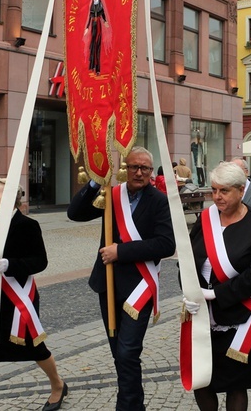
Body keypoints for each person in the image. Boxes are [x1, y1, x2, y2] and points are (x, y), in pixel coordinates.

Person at [67, 147, 175, 410]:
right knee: (119, 353)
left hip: (140, 287)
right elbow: (75, 213)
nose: (139, 172)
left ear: (151, 172)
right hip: (108, 283)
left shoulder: (159, 201)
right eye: (134, 167)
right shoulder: (110, 195)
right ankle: (133, 403)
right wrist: (96, 180)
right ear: (124, 168)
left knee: (128, 351)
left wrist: (121, 251)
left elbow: (166, 245)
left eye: (145, 168)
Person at [182, 162, 251, 411]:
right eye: (213, 190)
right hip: (202, 314)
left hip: (240, 314)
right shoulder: (204, 219)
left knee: (236, 384)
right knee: (202, 380)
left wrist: (217, 293)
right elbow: (188, 260)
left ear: (241, 190)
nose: (217, 197)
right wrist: (189, 290)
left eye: (224, 191)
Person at [0, 178, 66, 411]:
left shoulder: (27, 225)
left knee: (34, 348)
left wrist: (10, 265)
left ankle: (58, 385)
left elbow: (40, 261)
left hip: (18, 299)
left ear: (11, 198)